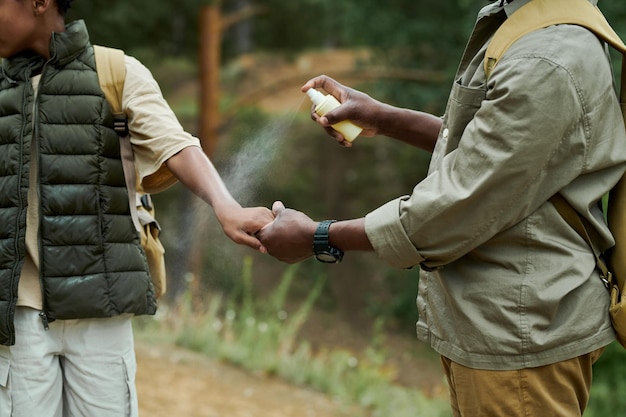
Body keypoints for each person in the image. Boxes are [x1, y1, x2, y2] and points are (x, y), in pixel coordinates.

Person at [257, 0, 626, 415]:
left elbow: (456, 205)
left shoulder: (546, 58)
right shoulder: (527, 24)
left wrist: (317, 237)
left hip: (519, 335)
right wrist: (384, 118)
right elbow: (500, 154)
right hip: (501, 328)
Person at [0, 0, 273, 416]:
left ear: (39, 3)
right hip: (17, 315)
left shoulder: (116, 72)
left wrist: (226, 207)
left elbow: (176, 145)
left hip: (101, 307)